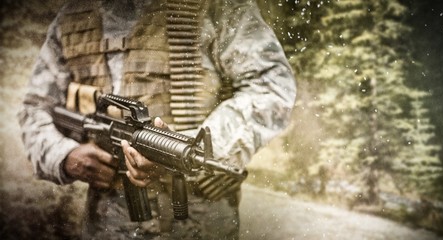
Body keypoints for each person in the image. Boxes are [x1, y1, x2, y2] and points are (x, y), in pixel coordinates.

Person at [18, 0, 296, 239]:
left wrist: (187, 145)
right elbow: (35, 108)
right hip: (107, 221)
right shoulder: (72, 15)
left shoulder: (218, 6)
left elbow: (271, 87)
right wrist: (64, 156)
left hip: (198, 217)